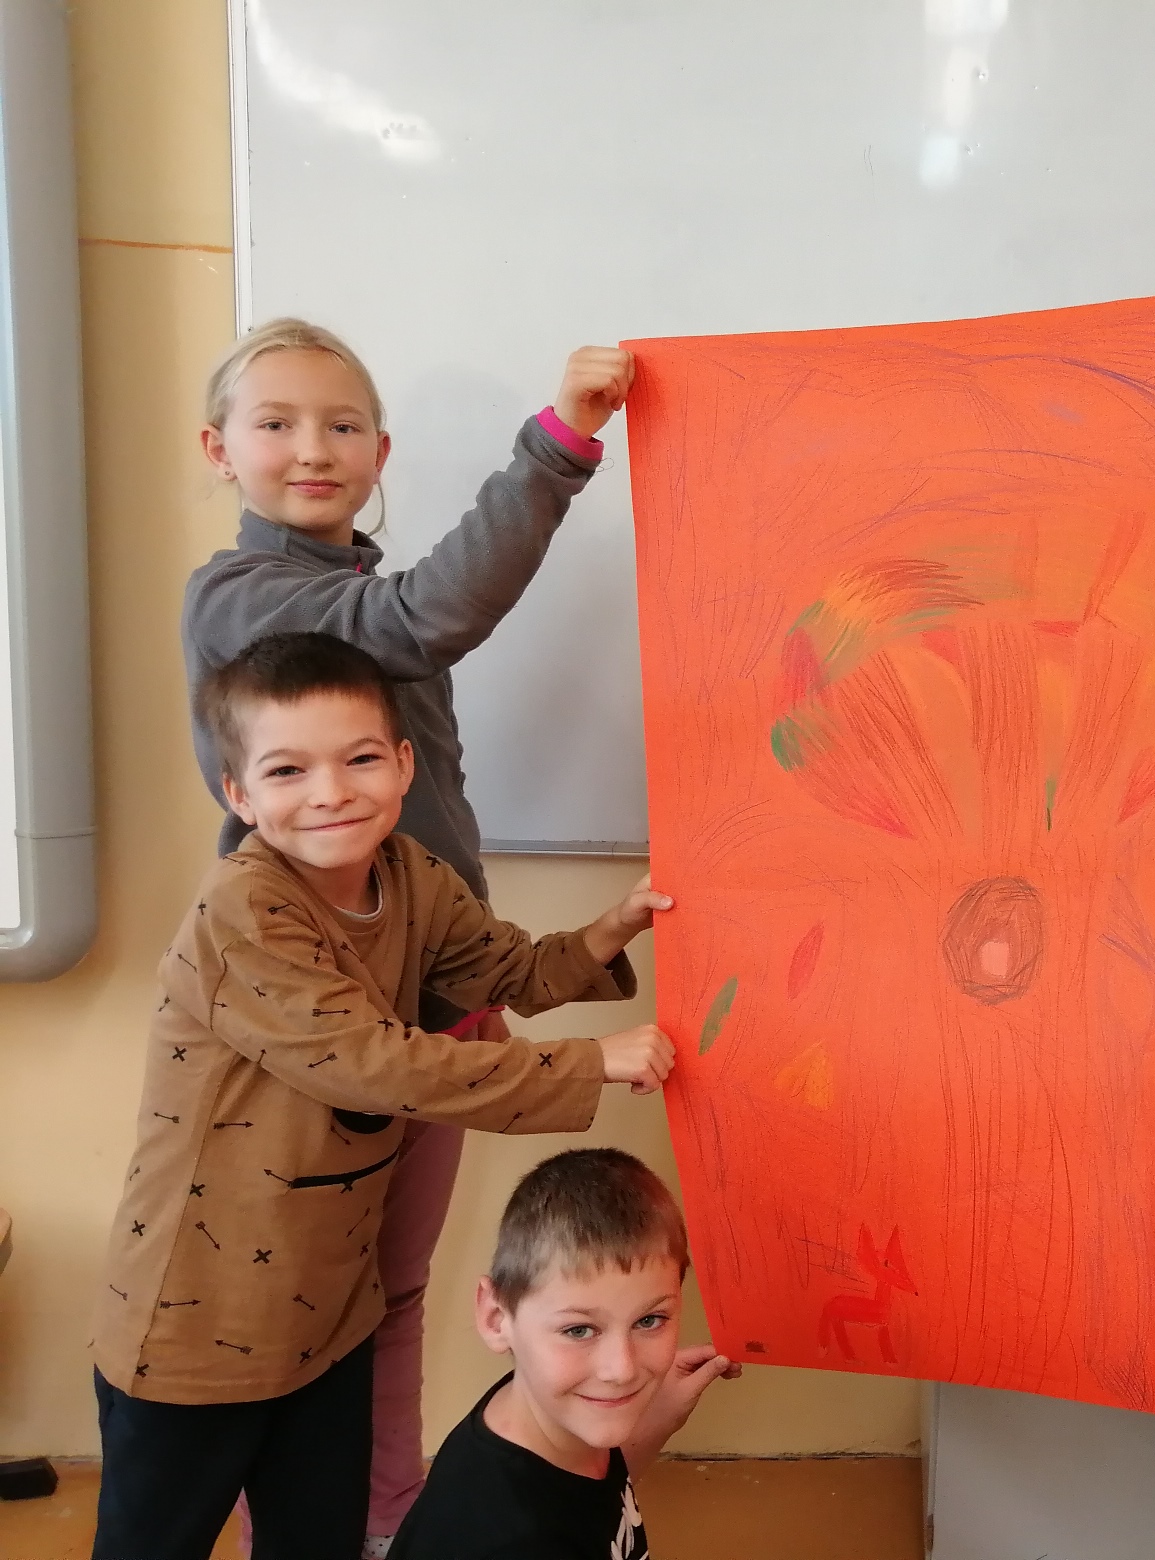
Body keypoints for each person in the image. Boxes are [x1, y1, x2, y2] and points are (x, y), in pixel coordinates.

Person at [183, 317, 634, 1553]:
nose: (311, 449)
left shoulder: (359, 595)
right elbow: (424, 617)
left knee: (391, 1288)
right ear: (219, 449)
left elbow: (429, 771)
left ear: (379, 453)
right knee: (295, 1298)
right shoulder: (244, 596)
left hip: (437, 981)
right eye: (275, 423)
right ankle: (289, 1527)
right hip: (327, 1014)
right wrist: (558, 444)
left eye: (341, 426)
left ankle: (380, 1523)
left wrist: (491, 966)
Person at [90, 632, 679, 1560]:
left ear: (405, 764)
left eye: (359, 758)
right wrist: (589, 1063)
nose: (330, 792)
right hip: (199, 1329)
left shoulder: (410, 874)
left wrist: (616, 924)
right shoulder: (244, 910)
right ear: (240, 795)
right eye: (288, 770)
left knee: (319, 1540)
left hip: (329, 1318)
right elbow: (376, 1064)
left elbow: (512, 971)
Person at [391, 1148, 740, 1560]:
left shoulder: (545, 1414)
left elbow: (589, 1502)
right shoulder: (506, 1541)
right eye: (578, 1330)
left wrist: (660, 1418)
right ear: (497, 1318)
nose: (621, 1369)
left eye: (649, 1320)